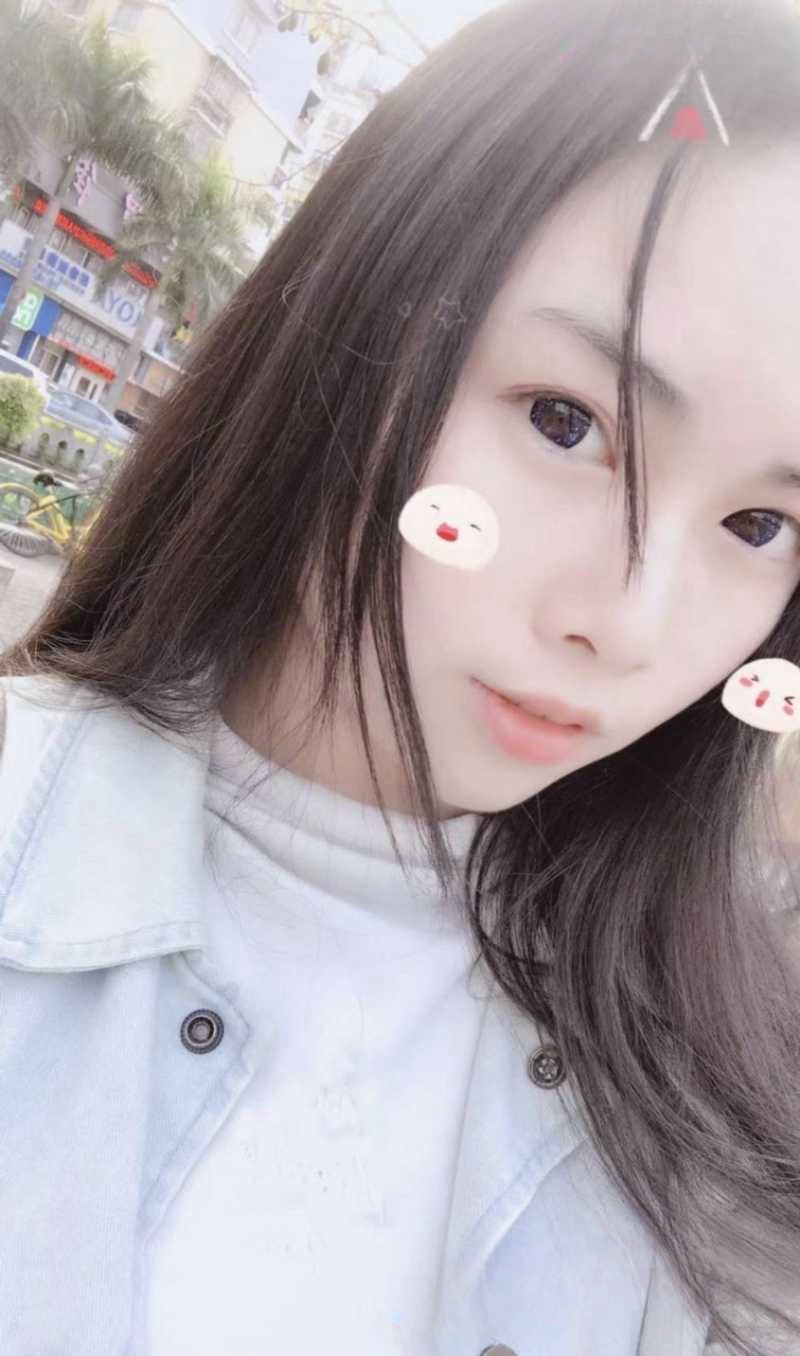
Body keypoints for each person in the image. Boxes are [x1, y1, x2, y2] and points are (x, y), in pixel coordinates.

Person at [1, 0, 800, 1351]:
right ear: (354, 322)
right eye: (568, 423)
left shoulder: (722, 1103)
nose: (630, 623)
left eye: (759, 525)